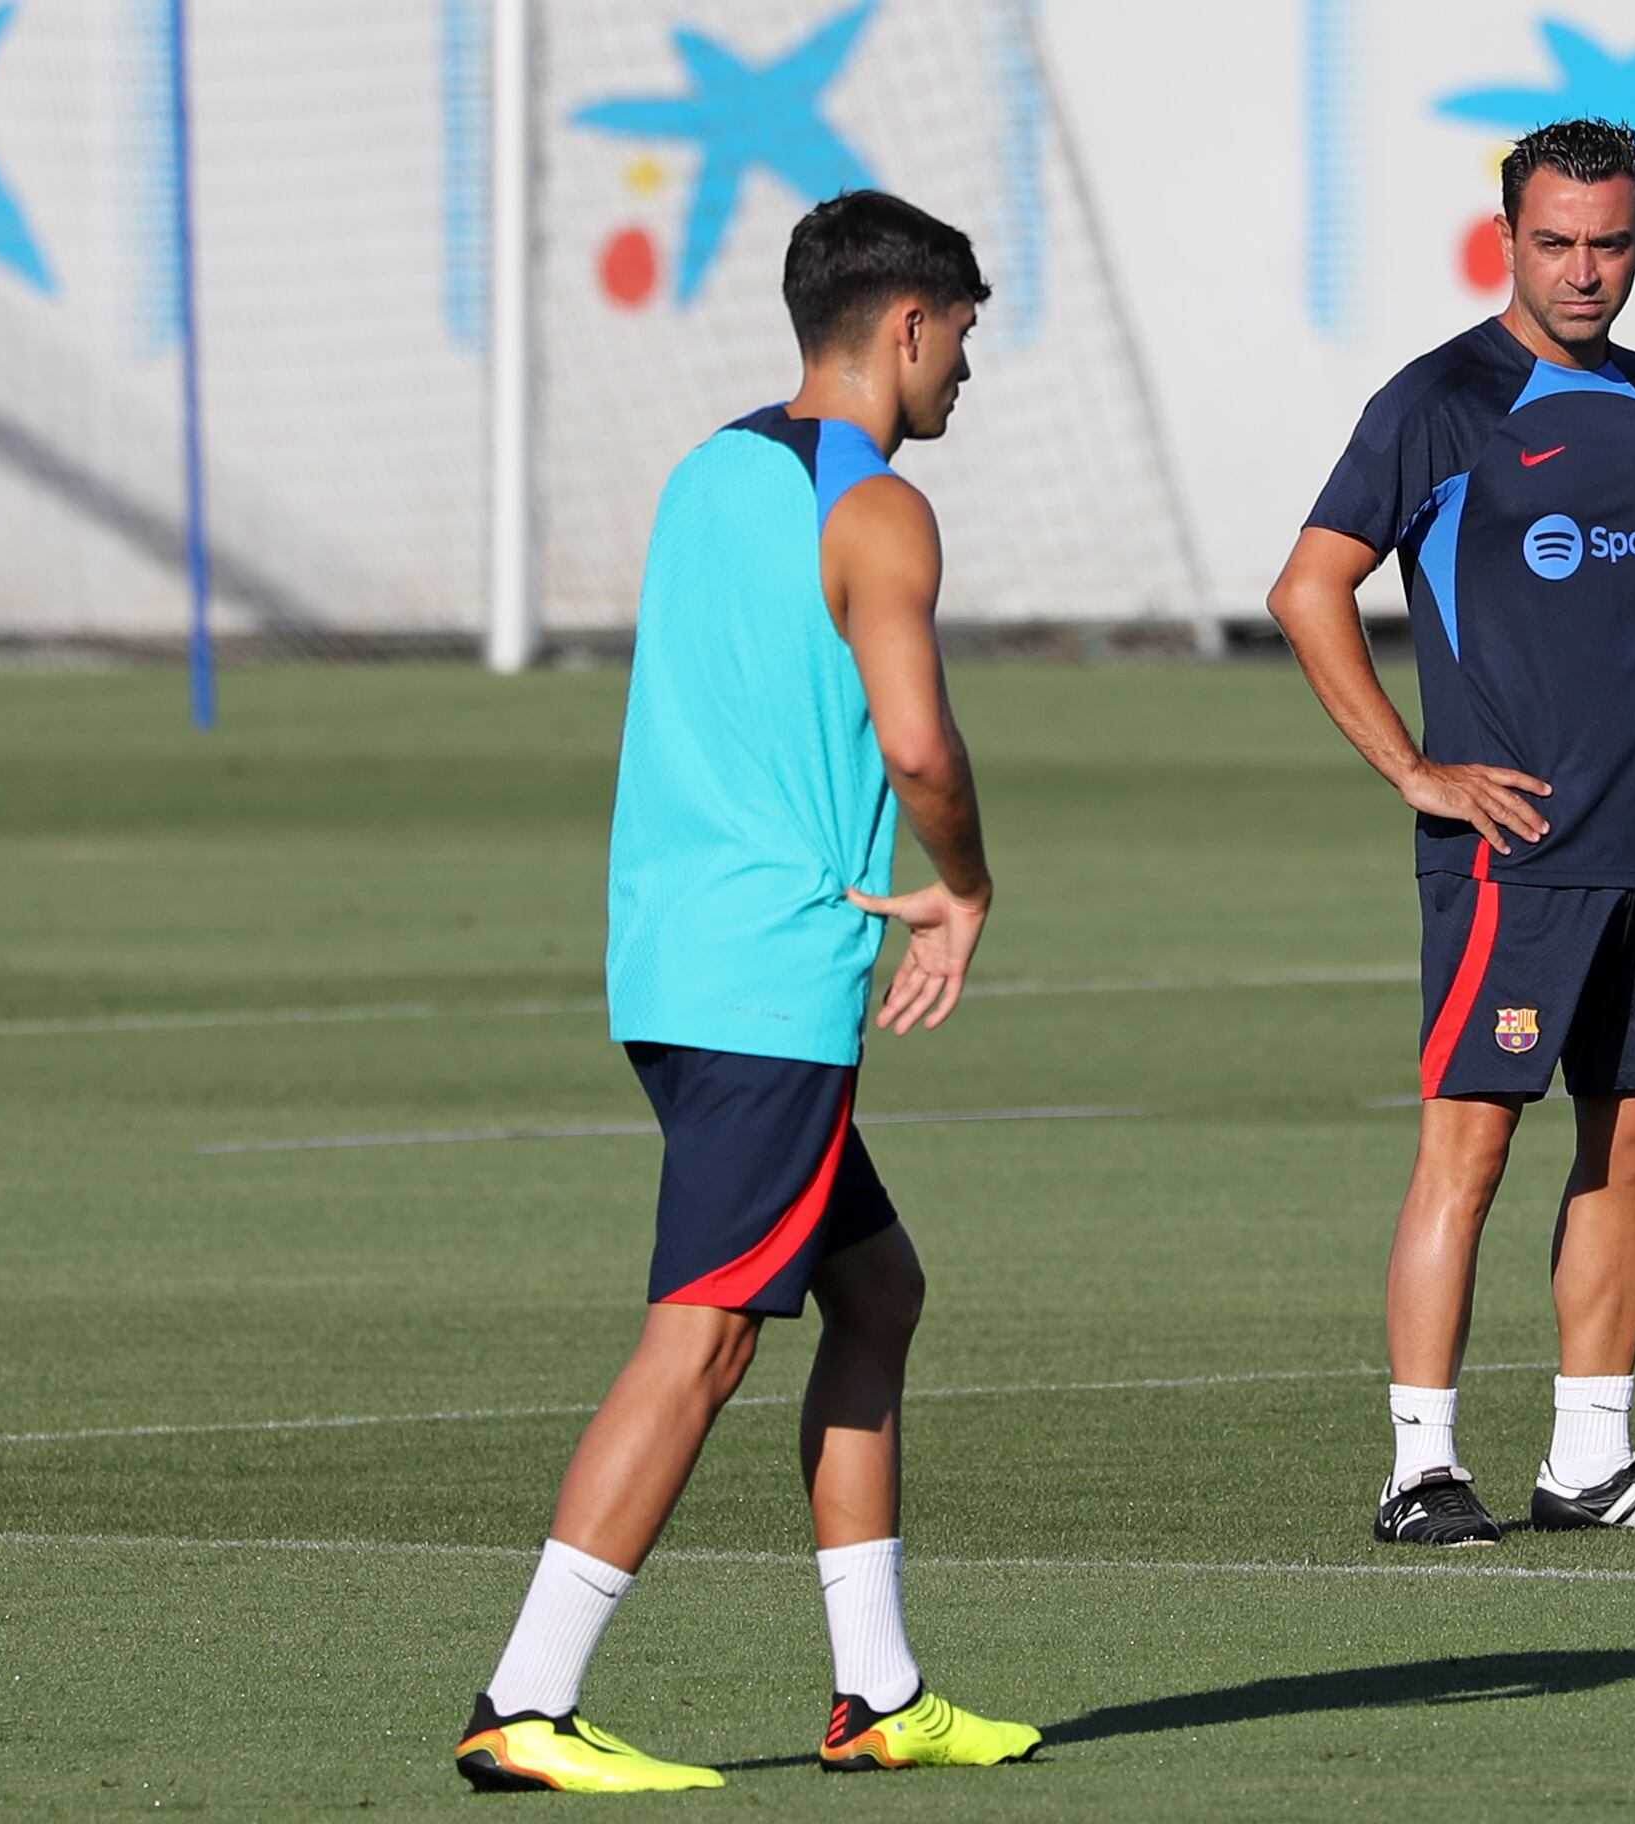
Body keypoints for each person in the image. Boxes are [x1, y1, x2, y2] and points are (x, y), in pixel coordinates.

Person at [454, 190, 1039, 1792]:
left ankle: (878, 1693)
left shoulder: (710, 469)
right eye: (966, 339)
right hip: (770, 981)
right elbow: (918, 746)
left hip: (667, 956)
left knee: (877, 1290)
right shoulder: (884, 509)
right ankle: (526, 1699)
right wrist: (967, 890)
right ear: (908, 326)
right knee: (706, 1338)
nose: (969, 374)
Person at [1267, 119, 1635, 1547]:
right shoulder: (1441, 403)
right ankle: (1420, 1466)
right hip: (1513, 853)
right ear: (1509, 240)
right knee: (1469, 1148)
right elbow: (1310, 590)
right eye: (1557, 241)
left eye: (1611, 242)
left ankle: (1590, 1463)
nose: (1585, 269)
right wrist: (1416, 768)